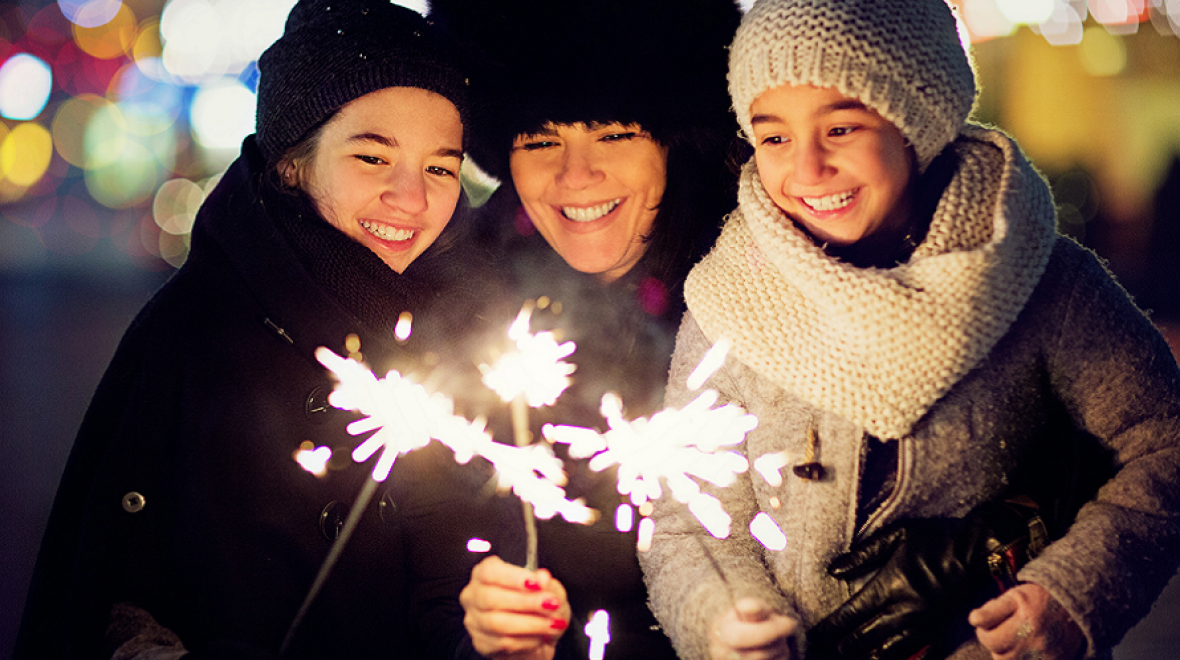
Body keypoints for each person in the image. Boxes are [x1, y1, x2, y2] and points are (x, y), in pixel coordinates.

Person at [639, 0, 1180, 659]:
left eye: (840, 128)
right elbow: (687, 522)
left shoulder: (1036, 277)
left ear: (915, 122)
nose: (807, 168)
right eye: (774, 136)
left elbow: (1165, 444)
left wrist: (1068, 594)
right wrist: (723, 622)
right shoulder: (731, 295)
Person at [14, 1, 495, 658]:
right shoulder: (193, 331)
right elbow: (115, 599)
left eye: (440, 166)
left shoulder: (469, 340)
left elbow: (451, 577)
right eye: (372, 158)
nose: (412, 198)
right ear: (291, 163)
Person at [423, 1, 743, 658]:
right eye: (540, 141)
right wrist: (479, 629)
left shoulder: (757, 286)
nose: (575, 175)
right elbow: (415, 577)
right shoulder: (457, 309)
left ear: (672, 136)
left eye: (614, 134)